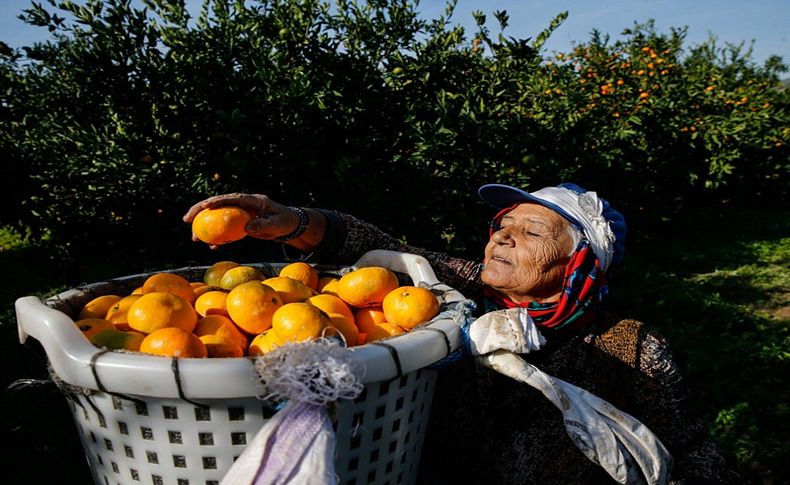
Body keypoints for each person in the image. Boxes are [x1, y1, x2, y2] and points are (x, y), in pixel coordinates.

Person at [183, 184, 738, 484]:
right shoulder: (459, 297)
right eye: (503, 226)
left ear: (579, 261)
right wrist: (295, 221)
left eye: (531, 230)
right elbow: (380, 247)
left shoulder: (630, 345)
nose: (502, 238)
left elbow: (686, 446)